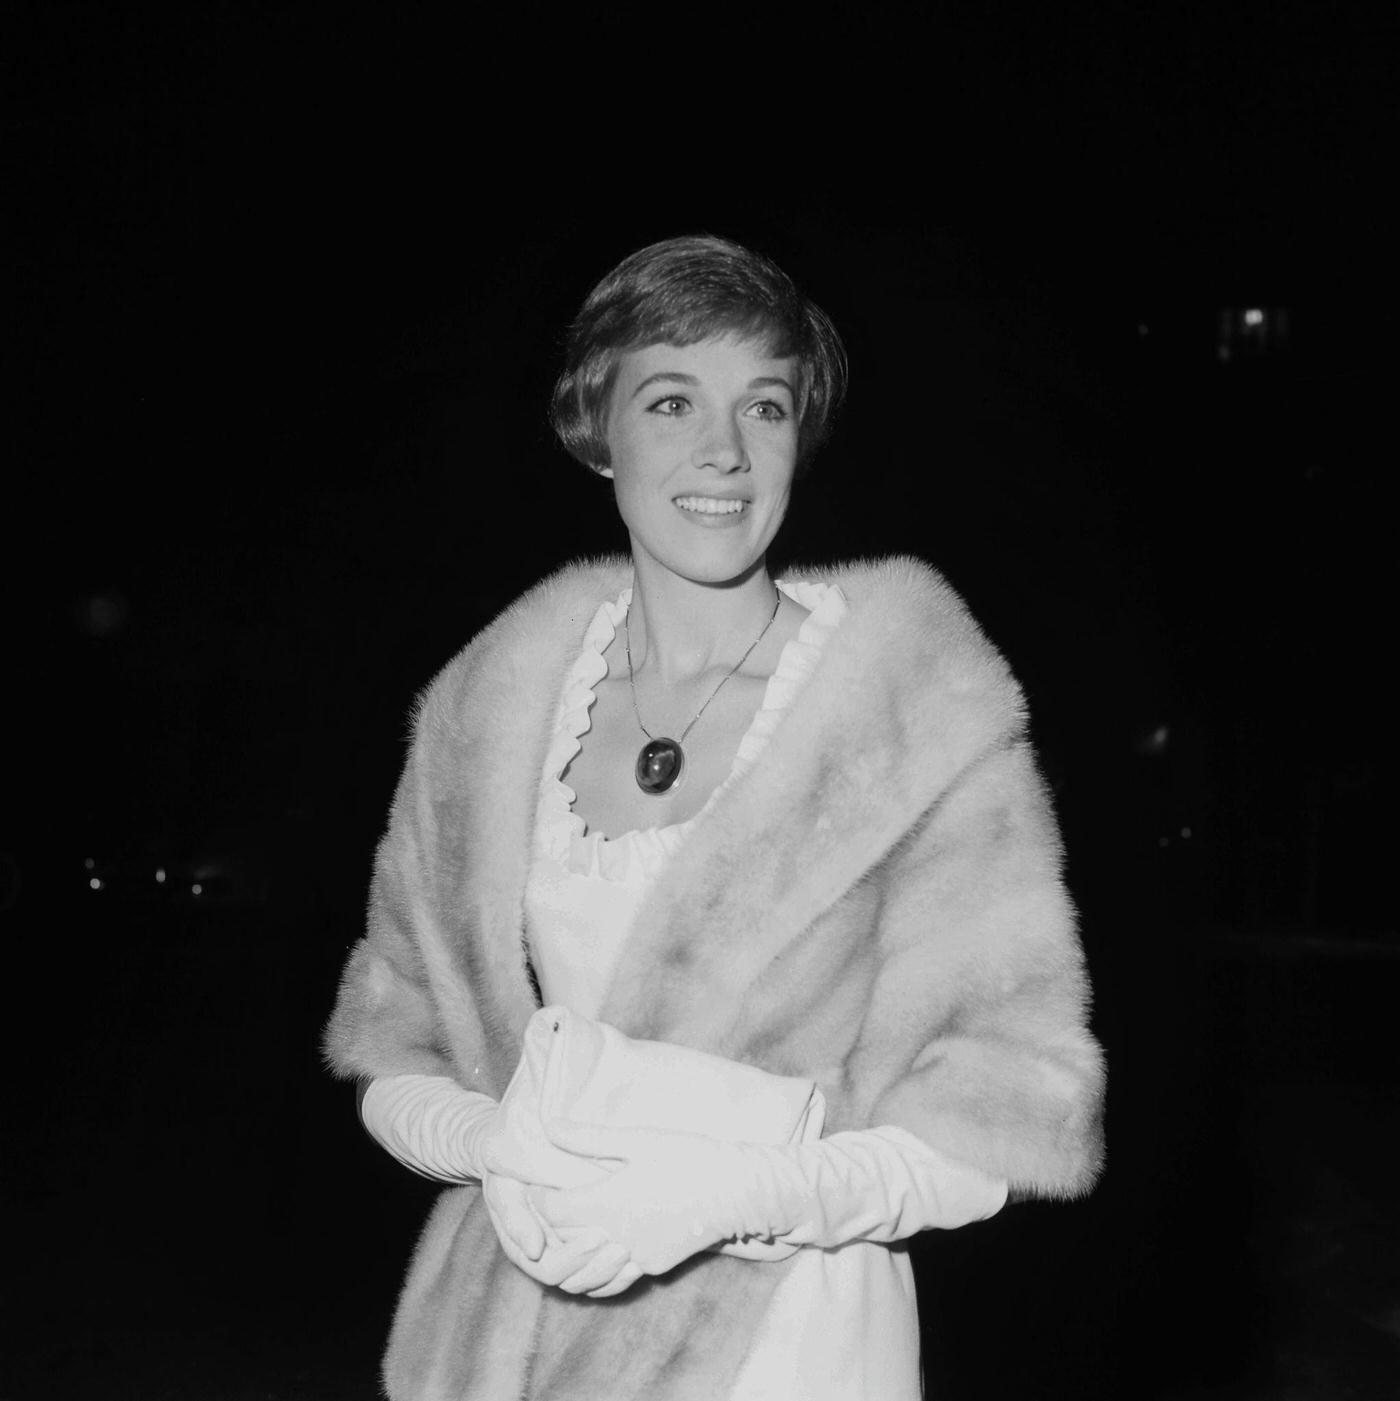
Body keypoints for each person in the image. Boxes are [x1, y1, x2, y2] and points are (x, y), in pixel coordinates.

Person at [325, 234, 1105, 1400]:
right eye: (672, 399)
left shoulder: (913, 713)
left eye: (766, 407)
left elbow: (1008, 1118)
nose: (723, 453)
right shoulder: (484, 710)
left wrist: (732, 1196)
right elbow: (393, 1056)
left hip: (787, 1342)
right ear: (595, 426)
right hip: (517, 1325)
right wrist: (502, 1148)